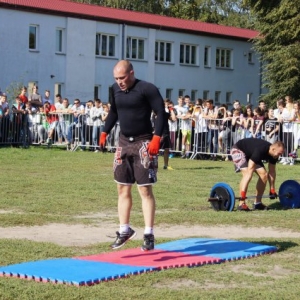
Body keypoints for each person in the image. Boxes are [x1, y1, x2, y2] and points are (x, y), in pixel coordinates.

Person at [99, 60, 165, 251]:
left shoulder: (147, 89)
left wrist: (156, 138)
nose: (119, 82)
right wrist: (105, 131)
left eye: (122, 78)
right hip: (123, 142)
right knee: (122, 188)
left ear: (131, 73)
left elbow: (160, 112)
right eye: (116, 78)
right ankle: (124, 229)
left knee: (144, 190)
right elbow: (114, 111)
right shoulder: (114, 89)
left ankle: (149, 234)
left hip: (144, 142)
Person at [230, 138, 284, 211]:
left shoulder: (274, 155)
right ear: (273, 149)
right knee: (247, 173)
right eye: (279, 153)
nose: (279, 156)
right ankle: (241, 203)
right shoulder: (261, 149)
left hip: (251, 154)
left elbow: (272, 172)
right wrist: (243, 194)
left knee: (264, 174)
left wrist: (272, 189)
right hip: (239, 150)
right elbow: (250, 170)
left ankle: (257, 203)